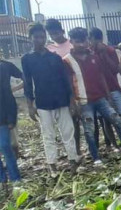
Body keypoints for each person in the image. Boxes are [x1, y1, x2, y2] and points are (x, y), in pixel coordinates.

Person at [64, 27, 121, 164]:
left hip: (100, 98)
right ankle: (96, 157)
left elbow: (101, 77)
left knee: (117, 120)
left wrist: (108, 96)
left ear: (87, 40)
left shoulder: (94, 56)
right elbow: (68, 83)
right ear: (71, 41)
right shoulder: (67, 60)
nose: (82, 44)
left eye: (84, 41)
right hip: (83, 101)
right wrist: (72, 103)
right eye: (78, 42)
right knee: (89, 130)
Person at [22, 23, 80, 176]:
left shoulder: (55, 57)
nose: (40, 40)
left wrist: (71, 100)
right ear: (31, 39)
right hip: (42, 102)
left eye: (42, 37)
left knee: (68, 132)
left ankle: (73, 161)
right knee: (48, 135)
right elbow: (27, 82)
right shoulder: (27, 59)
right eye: (36, 37)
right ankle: (52, 165)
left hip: (61, 99)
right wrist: (30, 105)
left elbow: (65, 80)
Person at [89, 27, 121, 147]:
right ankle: (115, 145)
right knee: (106, 120)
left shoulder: (109, 50)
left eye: (92, 39)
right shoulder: (90, 54)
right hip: (99, 92)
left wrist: (104, 54)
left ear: (96, 39)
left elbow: (116, 69)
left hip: (113, 88)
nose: (91, 42)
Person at [45, 18, 81, 155]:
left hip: (78, 87)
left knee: (81, 119)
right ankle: (73, 150)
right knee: (68, 122)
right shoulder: (49, 49)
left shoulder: (72, 45)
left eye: (56, 33)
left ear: (62, 31)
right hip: (62, 90)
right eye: (52, 34)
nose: (55, 36)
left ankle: (79, 148)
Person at [0, 55, 23, 186]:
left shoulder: (3, 67)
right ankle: (2, 179)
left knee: (5, 146)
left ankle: (15, 178)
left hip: (3, 117)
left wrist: (11, 118)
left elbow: (7, 95)